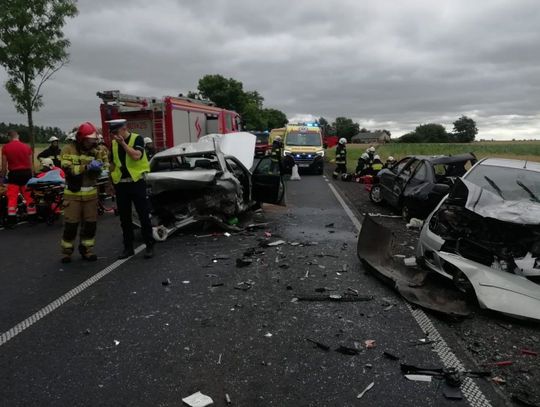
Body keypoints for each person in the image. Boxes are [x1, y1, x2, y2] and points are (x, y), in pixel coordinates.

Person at [60, 122, 107, 263]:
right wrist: (87, 167)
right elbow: (68, 170)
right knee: (71, 225)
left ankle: (87, 250)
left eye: (93, 140)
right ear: (81, 139)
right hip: (72, 195)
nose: (91, 143)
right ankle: (67, 252)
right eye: (88, 140)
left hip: (91, 195)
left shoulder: (97, 150)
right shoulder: (67, 150)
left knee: (90, 225)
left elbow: (105, 167)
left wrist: (100, 169)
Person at [108, 119, 154, 259]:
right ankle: (128, 248)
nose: (114, 136)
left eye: (116, 132)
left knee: (143, 216)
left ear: (124, 129)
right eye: (112, 133)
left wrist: (123, 143)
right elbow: (113, 164)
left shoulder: (137, 139)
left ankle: (149, 246)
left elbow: (136, 156)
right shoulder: (113, 144)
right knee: (124, 218)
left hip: (136, 183)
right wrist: (110, 183)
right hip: (121, 184)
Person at [0, 130, 36, 224]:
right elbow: (31, 164)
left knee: (12, 198)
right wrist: (32, 177)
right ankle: (32, 218)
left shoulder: (5, 147)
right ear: (18, 136)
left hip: (14, 175)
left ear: (9, 137)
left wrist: (2, 178)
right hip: (27, 174)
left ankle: (12, 221)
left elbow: (4, 166)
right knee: (29, 197)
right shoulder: (27, 147)